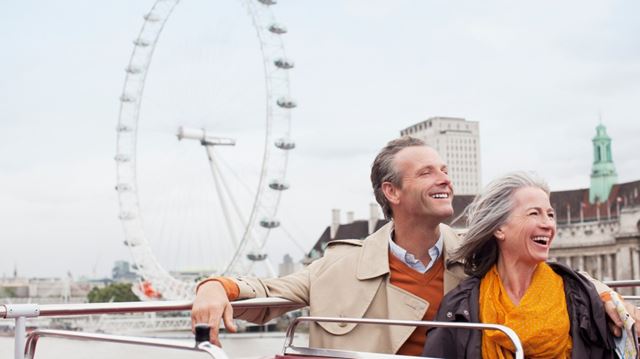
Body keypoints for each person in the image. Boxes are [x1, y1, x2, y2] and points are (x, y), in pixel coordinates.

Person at [192, 137, 635, 356]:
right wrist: (216, 287)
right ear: (392, 192)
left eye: (444, 169)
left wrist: (615, 300)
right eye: (426, 172)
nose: (445, 178)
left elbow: (557, 278)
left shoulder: (476, 251)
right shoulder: (340, 265)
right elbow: (271, 293)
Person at [423, 172, 624, 358]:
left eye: (550, 214)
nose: (548, 224)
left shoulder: (581, 296)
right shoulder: (460, 305)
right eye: (534, 213)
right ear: (499, 228)